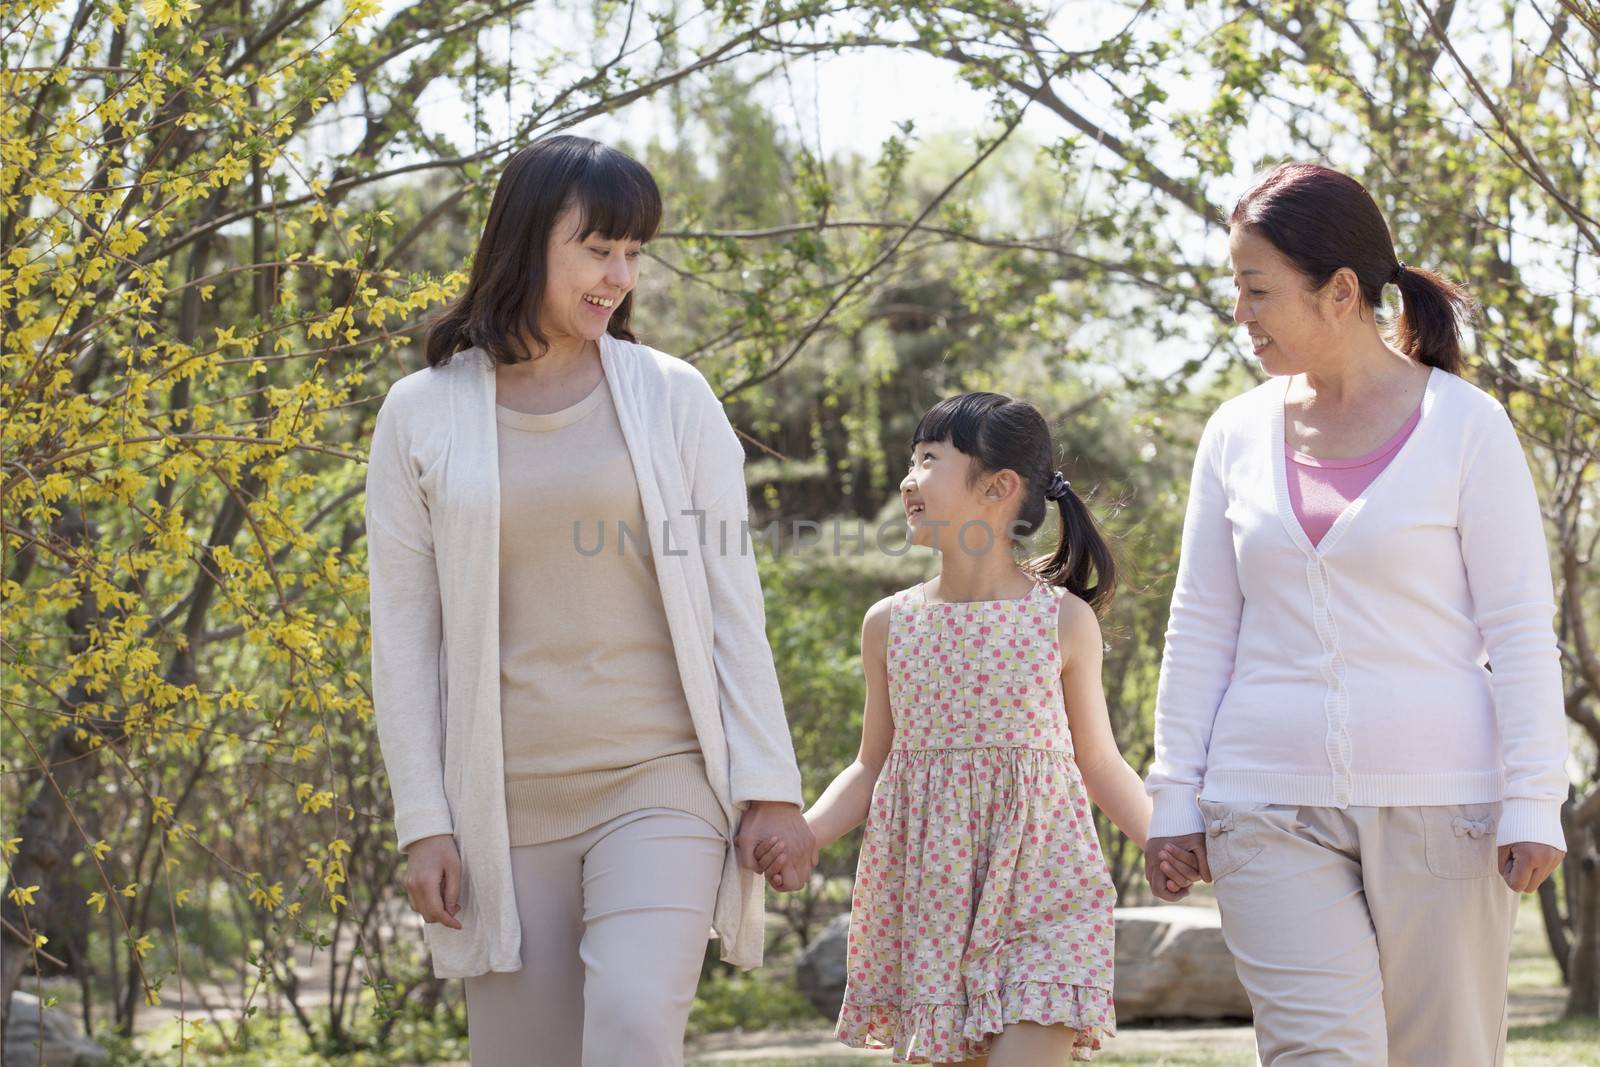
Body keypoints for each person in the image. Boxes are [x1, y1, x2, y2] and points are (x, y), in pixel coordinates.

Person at [364, 134, 813, 1067]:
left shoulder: (673, 399)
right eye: (598, 248)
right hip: (503, 800)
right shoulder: (420, 412)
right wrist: (426, 819)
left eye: (634, 252)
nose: (619, 275)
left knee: (631, 1033)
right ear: (528, 243)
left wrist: (769, 786)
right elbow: (404, 637)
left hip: (661, 779)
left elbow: (733, 599)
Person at [1143, 161, 1570, 1065]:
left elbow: (1521, 627)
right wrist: (1174, 793)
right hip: (1264, 803)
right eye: (1236, 288)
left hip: (1444, 802)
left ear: (1341, 291)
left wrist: (1536, 795)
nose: (1239, 313)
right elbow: (1201, 627)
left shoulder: (1468, 426)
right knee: (1318, 1054)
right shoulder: (1232, 435)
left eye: (1256, 290)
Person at [759, 393, 1197, 1065]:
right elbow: (870, 765)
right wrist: (806, 833)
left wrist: (1160, 838)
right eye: (912, 458)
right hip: (930, 906)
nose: (909, 476)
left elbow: (1101, 763)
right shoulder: (889, 623)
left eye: (930, 458)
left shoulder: (1061, 619)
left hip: (1046, 891)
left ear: (997, 487)